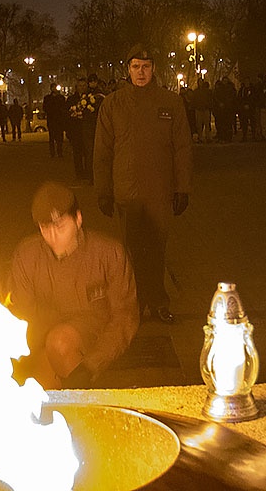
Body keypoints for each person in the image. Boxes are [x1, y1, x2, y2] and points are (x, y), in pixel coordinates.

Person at [93, 44, 192, 324]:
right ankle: (135, 304)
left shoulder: (170, 103)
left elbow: (182, 147)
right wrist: (104, 191)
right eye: (135, 67)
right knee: (132, 253)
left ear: (153, 69)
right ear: (128, 69)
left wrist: (182, 187)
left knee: (157, 250)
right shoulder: (113, 104)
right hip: (127, 193)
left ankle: (158, 301)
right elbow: (102, 151)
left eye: (146, 67)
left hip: (159, 192)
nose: (141, 72)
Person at [8, 182, 139, 389]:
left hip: (97, 339)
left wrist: (91, 365)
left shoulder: (109, 253)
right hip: (46, 341)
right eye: (45, 228)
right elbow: (23, 314)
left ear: (78, 219)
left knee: (60, 343)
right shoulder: (27, 256)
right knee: (40, 397)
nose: (53, 237)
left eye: (60, 227)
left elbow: (125, 317)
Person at [43, 86, 67, 158]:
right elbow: (45, 108)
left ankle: (59, 152)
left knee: (59, 138)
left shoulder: (61, 98)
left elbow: (64, 108)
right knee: (52, 138)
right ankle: (53, 153)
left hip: (58, 120)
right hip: (52, 120)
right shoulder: (48, 98)